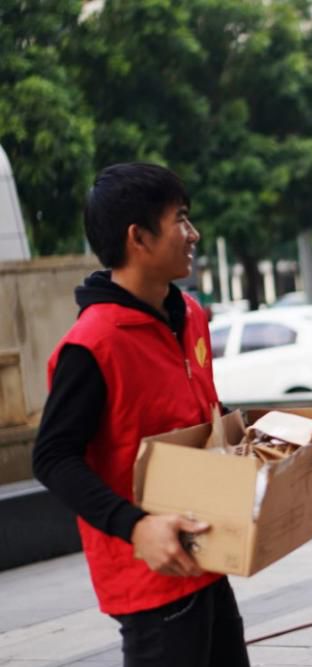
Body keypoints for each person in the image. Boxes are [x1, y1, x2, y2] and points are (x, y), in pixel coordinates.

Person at [32, 163, 250, 667]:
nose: (193, 234)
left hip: (208, 556)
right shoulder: (92, 345)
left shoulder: (190, 314)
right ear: (139, 237)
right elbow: (52, 457)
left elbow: (200, 409)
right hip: (152, 580)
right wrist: (135, 526)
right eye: (181, 219)